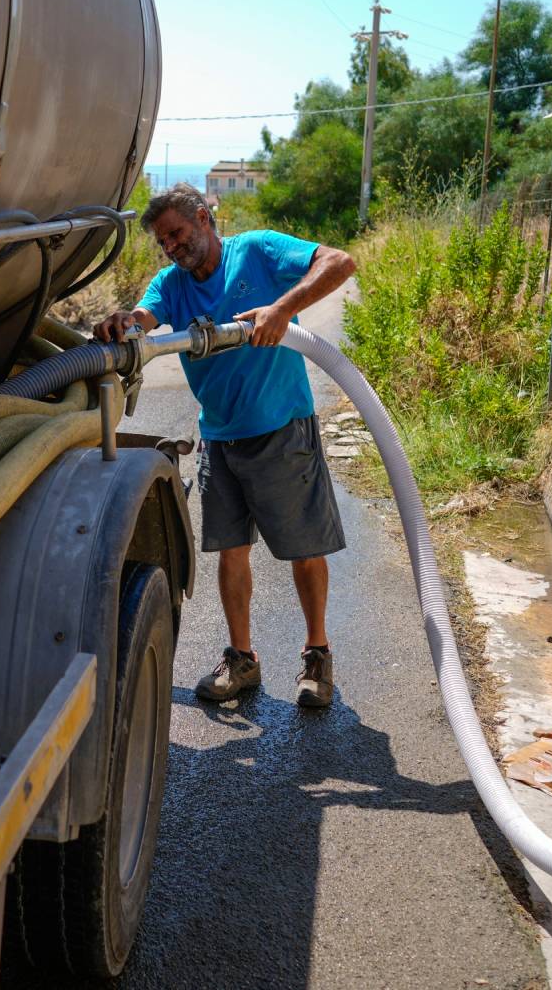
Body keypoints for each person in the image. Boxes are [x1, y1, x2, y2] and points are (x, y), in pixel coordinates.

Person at [95, 183, 357, 708]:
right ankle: (242, 660)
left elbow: (340, 262)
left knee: (304, 551)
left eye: (176, 234)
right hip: (219, 437)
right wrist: (126, 322)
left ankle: (317, 655)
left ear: (203, 217)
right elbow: (146, 316)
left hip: (282, 428)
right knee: (231, 552)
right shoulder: (172, 284)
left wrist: (282, 308)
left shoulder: (257, 250)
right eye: (163, 242)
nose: (171, 247)